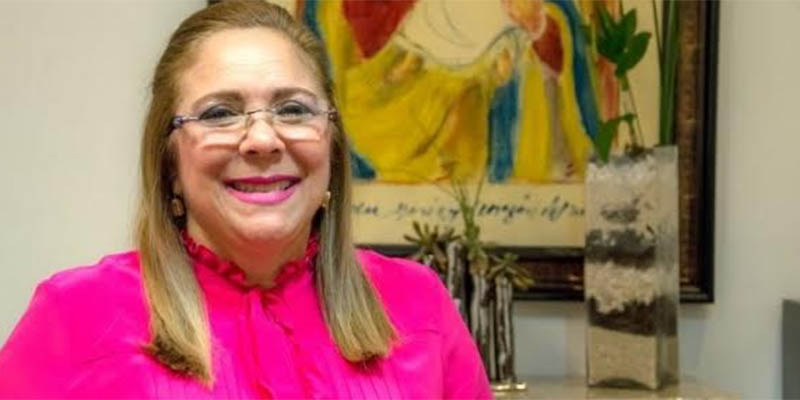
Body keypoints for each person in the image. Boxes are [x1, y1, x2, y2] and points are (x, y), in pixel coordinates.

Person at [0, 1, 492, 398]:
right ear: (169, 161)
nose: (262, 140)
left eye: (293, 108)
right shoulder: (75, 314)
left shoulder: (419, 305)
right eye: (219, 113)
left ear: (332, 144)